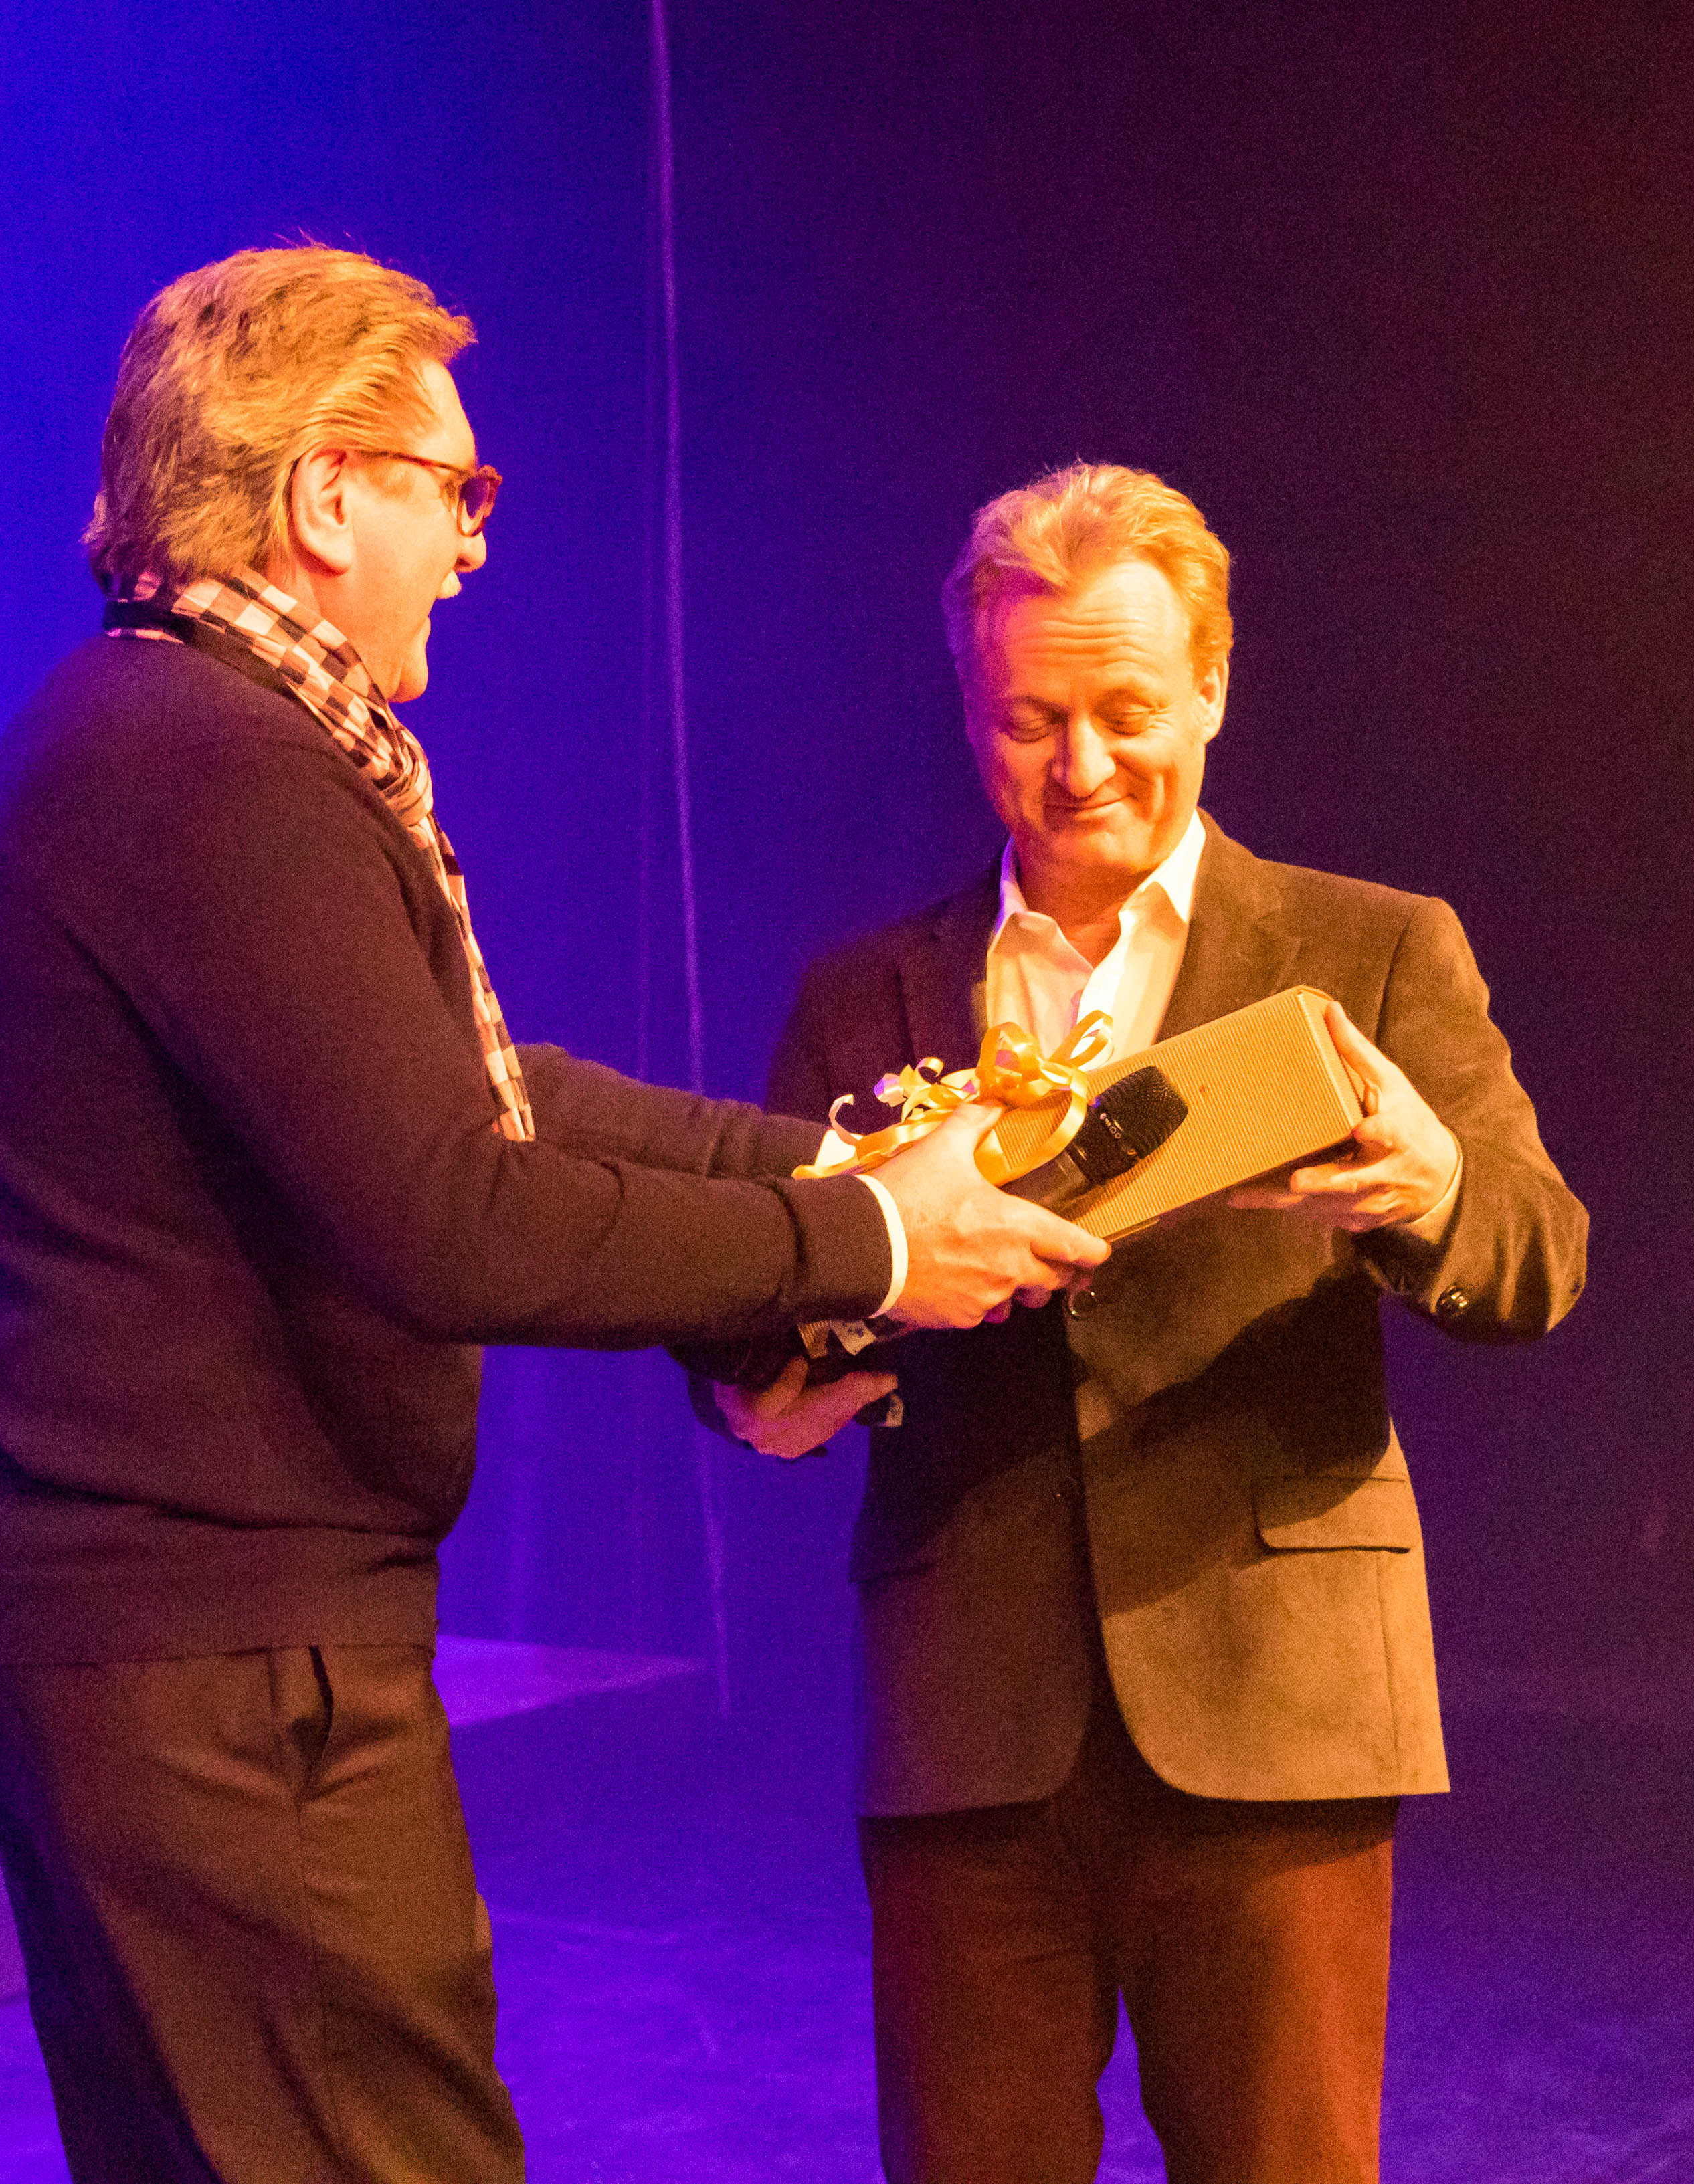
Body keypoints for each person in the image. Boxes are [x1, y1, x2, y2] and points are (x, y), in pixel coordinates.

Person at [0, 247, 1105, 2184]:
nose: (472, 546)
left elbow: (477, 1090)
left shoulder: (171, 736)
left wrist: (828, 1170)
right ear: (324, 495)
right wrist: (877, 1247)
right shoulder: (209, 765)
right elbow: (453, 1209)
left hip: (173, 1633)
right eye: (450, 489)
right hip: (212, 1650)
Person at [706, 464, 1587, 2182]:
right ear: (969, 708)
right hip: (969, 1716)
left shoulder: (1367, 948)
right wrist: (757, 1393)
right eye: (1029, 720)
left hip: (1275, 1711)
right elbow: (756, 1296)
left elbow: (1537, 1254)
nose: (1083, 766)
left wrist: (1424, 1187)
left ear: (1212, 686)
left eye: (1126, 710)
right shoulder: (864, 991)